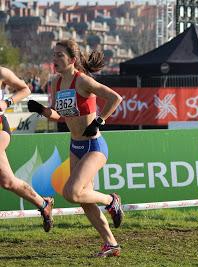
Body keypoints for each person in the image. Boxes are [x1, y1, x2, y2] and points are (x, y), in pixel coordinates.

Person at [27, 40, 123, 257]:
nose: (55, 60)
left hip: (94, 146)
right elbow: (59, 115)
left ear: (72, 60)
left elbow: (115, 98)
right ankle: (111, 244)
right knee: (83, 198)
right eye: (53, 55)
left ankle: (111, 201)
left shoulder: (83, 81)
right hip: (75, 145)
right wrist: (42, 110)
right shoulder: (56, 84)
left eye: (59, 55)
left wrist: (100, 120)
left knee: (71, 193)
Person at [0, 66, 54, 231]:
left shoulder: (2, 72)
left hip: (0, 128)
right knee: (8, 182)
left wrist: (6, 102)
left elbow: (25, 89)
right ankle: (43, 203)